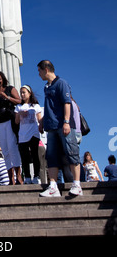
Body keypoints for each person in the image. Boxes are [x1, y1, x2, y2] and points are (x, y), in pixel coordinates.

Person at [37, 60, 83, 197]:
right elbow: (49, 106)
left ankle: (77, 184)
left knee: (71, 153)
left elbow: (67, 103)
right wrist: (42, 122)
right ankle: (53, 186)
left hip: (63, 125)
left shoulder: (61, 83)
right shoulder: (46, 87)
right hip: (51, 127)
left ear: (46, 69)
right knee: (51, 157)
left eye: (39, 71)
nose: (38, 74)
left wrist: (66, 122)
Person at [14, 85, 42, 184]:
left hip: (33, 133)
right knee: (24, 156)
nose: (22, 94)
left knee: (35, 155)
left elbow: (39, 118)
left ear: (29, 93)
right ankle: (27, 176)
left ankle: (36, 176)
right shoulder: (18, 107)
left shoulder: (35, 106)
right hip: (22, 135)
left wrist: (41, 127)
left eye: (24, 92)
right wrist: (20, 114)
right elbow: (16, 122)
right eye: (21, 92)